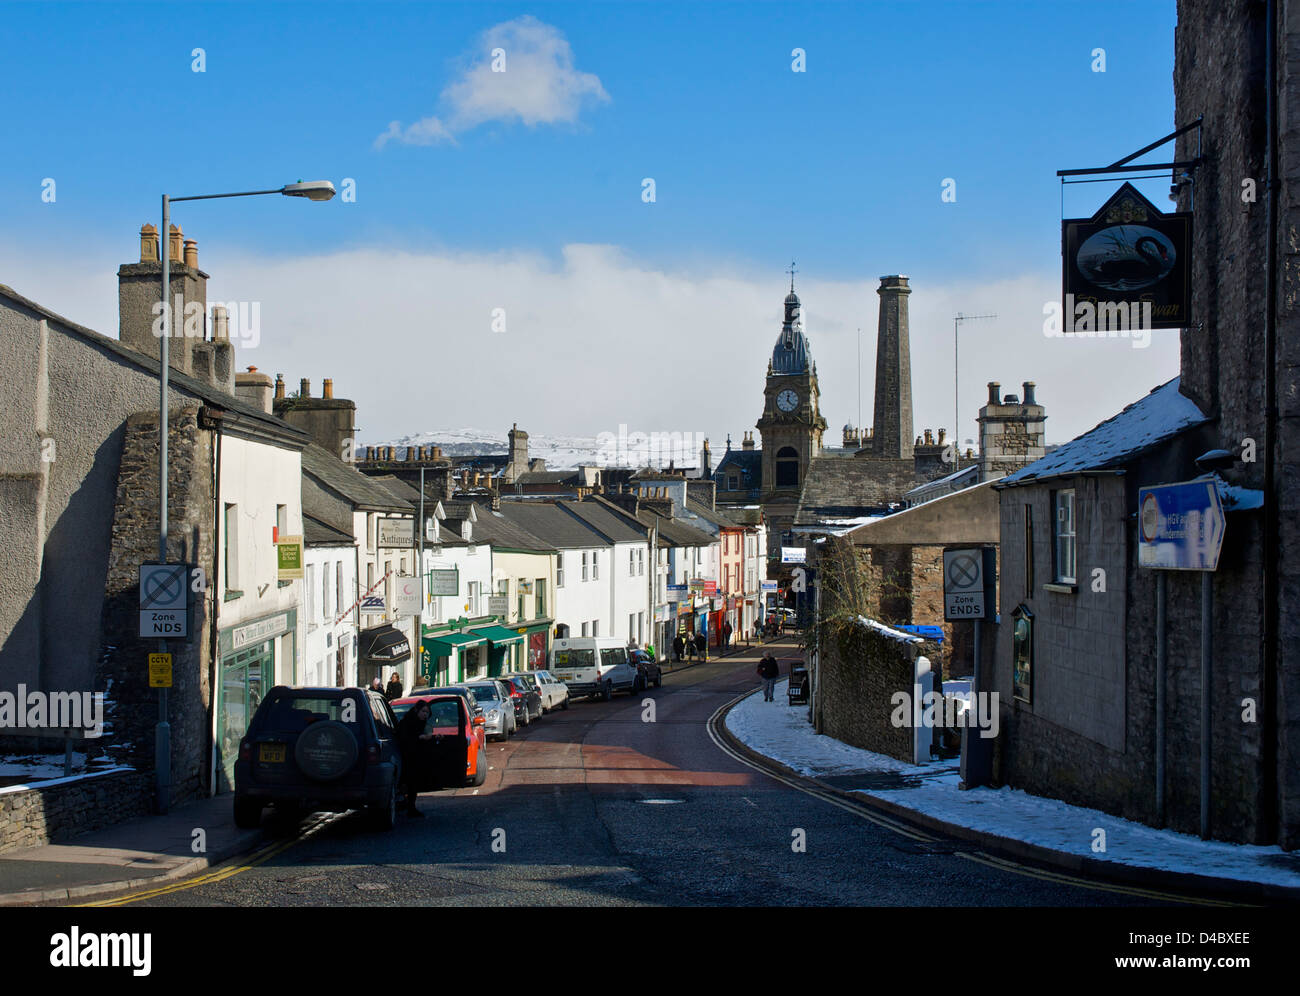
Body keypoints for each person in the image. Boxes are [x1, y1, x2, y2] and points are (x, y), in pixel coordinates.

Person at [395, 699, 433, 817]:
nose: (425, 714)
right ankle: (406, 805)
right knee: (408, 782)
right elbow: (405, 738)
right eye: (423, 711)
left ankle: (411, 806)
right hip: (406, 757)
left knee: (413, 784)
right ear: (417, 710)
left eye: (427, 712)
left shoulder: (422, 723)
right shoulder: (408, 722)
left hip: (415, 757)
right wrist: (420, 737)